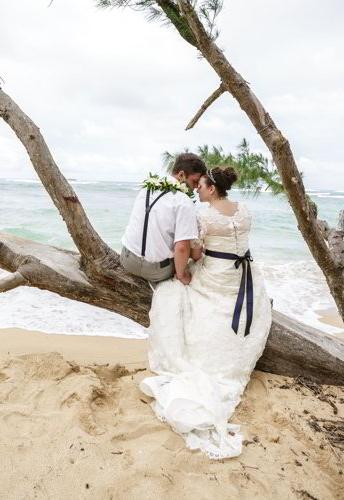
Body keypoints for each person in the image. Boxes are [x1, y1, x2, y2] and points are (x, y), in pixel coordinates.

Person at [139, 166, 273, 460]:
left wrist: (185, 268)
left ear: (212, 188)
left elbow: (196, 253)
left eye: (200, 186)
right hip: (243, 277)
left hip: (217, 274)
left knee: (174, 292)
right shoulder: (244, 210)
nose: (196, 190)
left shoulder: (203, 215)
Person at [120, 153, 207, 283]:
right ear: (182, 175)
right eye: (194, 182)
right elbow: (182, 247)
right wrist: (182, 276)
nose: (195, 188)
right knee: (188, 246)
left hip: (127, 259)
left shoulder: (147, 188)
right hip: (155, 271)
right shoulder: (184, 201)